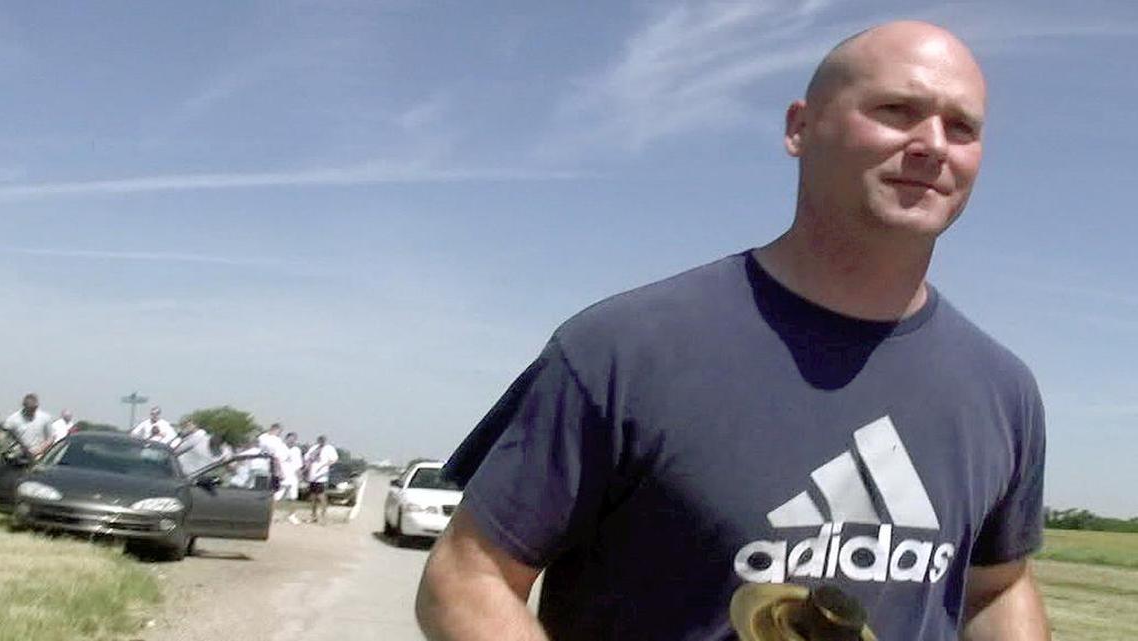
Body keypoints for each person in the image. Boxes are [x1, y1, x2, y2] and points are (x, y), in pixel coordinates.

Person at [416, 21, 1048, 641]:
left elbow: (996, 587)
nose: (933, 144)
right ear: (800, 127)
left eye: (961, 126)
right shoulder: (625, 350)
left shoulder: (1001, 392)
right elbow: (468, 575)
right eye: (896, 110)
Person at [302, 435, 338, 524]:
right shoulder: (313, 448)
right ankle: (313, 516)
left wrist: (325, 465)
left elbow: (334, 459)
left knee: (321, 496)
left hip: (321, 477)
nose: (321, 442)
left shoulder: (329, 448)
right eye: (320, 440)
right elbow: (307, 458)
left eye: (323, 440)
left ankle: (323, 516)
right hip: (312, 476)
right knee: (313, 497)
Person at [278, 431, 304, 524]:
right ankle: (270, 515)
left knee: (293, 497)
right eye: (291, 439)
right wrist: (279, 472)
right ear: (286, 438)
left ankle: (292, 515)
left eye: (294, 439)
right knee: (277, 497)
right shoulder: (280, 447)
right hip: (282, 476)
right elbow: (276, 460)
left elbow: (298, 465)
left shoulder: (297, 450)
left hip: (293, 477)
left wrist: (300, 476)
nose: (292, 441)